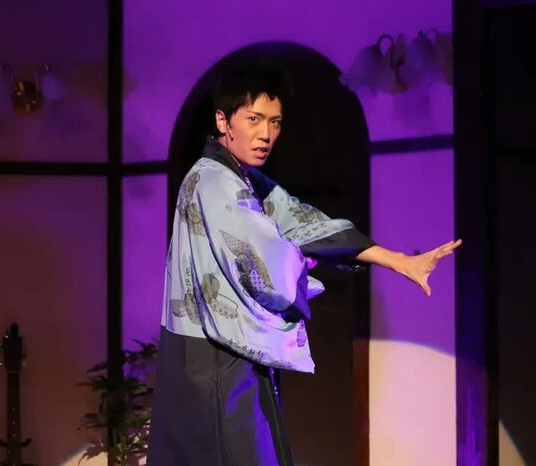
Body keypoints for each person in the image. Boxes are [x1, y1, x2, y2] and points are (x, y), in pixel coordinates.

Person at [147, 63, 462, 466]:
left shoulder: (242, 179)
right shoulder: (216, 182)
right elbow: (265, 262)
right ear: (223, 121)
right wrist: (299, 260)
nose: (266, 134)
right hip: (214, 359)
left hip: (219, 351)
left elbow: (304, 223)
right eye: (254, 119)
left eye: (275, 122)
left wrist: (397, 261)